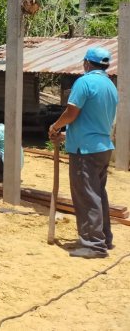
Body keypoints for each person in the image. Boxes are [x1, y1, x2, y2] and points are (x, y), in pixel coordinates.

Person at [49, 47, 118, 258]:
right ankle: (104, 237)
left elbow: (72, 112)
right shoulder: (110, 85)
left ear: (87, 63)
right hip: (102, 147)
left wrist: (55, 126)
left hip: (85, 150)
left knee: (86, 196)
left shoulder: (84, 82)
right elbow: (90, 120)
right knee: (97, 194)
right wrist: (66, 135)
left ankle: (93, 244)